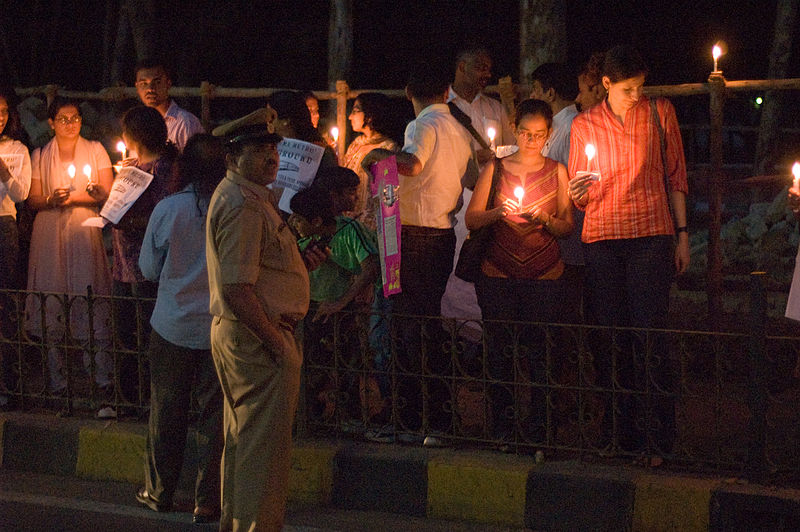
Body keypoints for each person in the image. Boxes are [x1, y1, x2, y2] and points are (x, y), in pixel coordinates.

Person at [568, 46, 689, 461]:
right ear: (606, 84)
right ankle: (619, 432)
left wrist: (683, 233)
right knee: (610, 339)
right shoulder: (584, 124)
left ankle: (657, 437)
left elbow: (676, 175)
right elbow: (580, 195)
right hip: (602, 238)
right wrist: (577, 193)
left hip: (651, 235)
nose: (636, 94)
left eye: (640, 86)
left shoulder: (659, 113)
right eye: (627, 88)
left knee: (649, 335)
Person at [207, 114, 325, 532]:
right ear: (233, 157)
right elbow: (237, 287)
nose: (271, 158)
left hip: (250, 336)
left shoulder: (251, 197)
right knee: (264, 452)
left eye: (273, 149)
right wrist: (278, 343)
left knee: (247, 443)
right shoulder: (242, 205)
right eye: (258, 151)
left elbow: (258, 269)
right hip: (258, 341)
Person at [363, 65, 476, 446]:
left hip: (411, 237)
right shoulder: (460, 129)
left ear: (409, 91)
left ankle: (418, 416)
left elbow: (411, 165)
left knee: (406, 329)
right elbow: (473, 177)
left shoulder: (422, 126)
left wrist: (378, 155)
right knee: (425, 326)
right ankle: (435, 416)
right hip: (441, 235)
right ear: (446, 90)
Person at [465, 99, 573, 450]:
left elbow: (566, 226)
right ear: (516, 128)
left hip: (544, 274)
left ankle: (541, 430)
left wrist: (543, 219)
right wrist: (499, 212)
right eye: (525, 132)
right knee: (500, 352)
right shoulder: (495, 169)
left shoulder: (558, 170)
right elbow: (472, 218)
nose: (531, 140)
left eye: (538, 134)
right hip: (498, 273)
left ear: (549, 134)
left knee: (542, 353)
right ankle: (503, 429)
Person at [135, 134, 224, 524]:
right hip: (218, 329)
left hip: (172, 326)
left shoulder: (169, 209)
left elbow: (149, 269)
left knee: (167, 410)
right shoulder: (234, 209)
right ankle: (208, 500)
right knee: (214, 416)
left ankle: (158, 491)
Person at [23, 97, 114, 403]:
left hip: (84, 228)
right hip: (49, 231)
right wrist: (51, 200)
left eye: (75, 118)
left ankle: (101, 377)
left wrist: (83, 198)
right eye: (63, 119)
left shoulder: (96, 150)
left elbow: (107, 192)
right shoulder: (40, 154)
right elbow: (33, 199)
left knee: (88, 292)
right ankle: (57, 379)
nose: (70, 124)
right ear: (51, 123)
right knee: (52, 294)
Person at [291, 168, 379, 427]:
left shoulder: (350, 231)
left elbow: (370, 267)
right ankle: (314, 418)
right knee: (311, 366)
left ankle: (351, 419)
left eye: (299, 219)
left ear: (317, 221)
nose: (294, 223)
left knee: (347, 367)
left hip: (343, 309)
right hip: (311, 309)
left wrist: (341, 302)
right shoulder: (300, 239)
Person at [112, 106, 178, 411]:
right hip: (124, 265)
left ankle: (149, 401)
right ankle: (129, 399)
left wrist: (129, 223)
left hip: (147, 266)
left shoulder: (163, 169)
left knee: (146, 335)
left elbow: (163, 216)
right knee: (126, 332)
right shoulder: (135, 166)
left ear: (133, 137)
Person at [529, 63, 584, 319]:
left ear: (550, 93)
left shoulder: (572, 127)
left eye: (536, 90)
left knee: (564, 311)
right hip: (558, 234)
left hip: (569, 235)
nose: (532, 96)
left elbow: (576, 184)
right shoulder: (558, 127)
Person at [0, 86, 31, 409]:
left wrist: (5, 173)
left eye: (4, 112)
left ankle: (8, 382)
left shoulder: (17, 149)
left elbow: (22, 194)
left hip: (3, 225)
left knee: (6, 301)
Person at [341, 92, 399, 230]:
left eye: (355, 111)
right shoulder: (356, 144)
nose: (350, 116)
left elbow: (389, 197)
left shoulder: (388, 149)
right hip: (348, 224)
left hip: (373, 229)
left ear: (371, 115)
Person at [448, 47, 514, 166]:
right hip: (455, 184)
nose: (488, 75)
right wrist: (472, 157)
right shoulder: (442, 108)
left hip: (493, 183)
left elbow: (511, 148)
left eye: (488, 70)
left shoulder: (496, 108)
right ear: (462, 67)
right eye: (482, 68)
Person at [135, 59, 204, 150]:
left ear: (168, 84)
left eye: (157, 82)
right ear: (137, 87)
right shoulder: (139, 124)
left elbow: (192, 162)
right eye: (144, 83)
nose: (150, 89)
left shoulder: (184, 123)